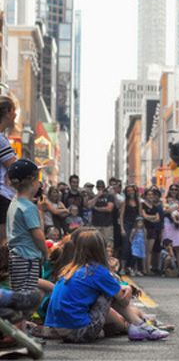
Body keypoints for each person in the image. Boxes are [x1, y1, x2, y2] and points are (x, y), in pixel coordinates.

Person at [45, 229, 167, 342]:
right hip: (79, 331)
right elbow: (123, 301)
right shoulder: (96, 270)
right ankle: (139, 325)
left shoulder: (69, 269)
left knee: (106, 289)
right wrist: (125, 288)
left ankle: (137, 325)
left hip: (59, 330)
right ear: (100, 249)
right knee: (109, 289)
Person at [6, 159, 48, 293]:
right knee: (26, 297)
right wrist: (45, 253)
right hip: (28, 258)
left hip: (15, 257)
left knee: (17, 294)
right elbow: (38, 235)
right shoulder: (29, 208)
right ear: (32, 180)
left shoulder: (15, 202)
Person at [0, 96, 18, 243]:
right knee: (4, 245)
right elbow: (14, 169)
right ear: (7, 112)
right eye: (14, 111)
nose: (16, 115)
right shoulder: (1, 140)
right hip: (3, 197)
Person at [87, 180, 115, 247]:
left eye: (102, 187)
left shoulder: (109, 196)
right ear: (96, 187)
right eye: (99, 187)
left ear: (104, 187)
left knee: (108, 245)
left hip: (107, 225)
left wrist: (97, 208)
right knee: (95, 245)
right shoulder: (92, 197)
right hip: (96, 224)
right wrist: (97, 196)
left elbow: (109, 209)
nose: (100, 188)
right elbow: (89, 206)